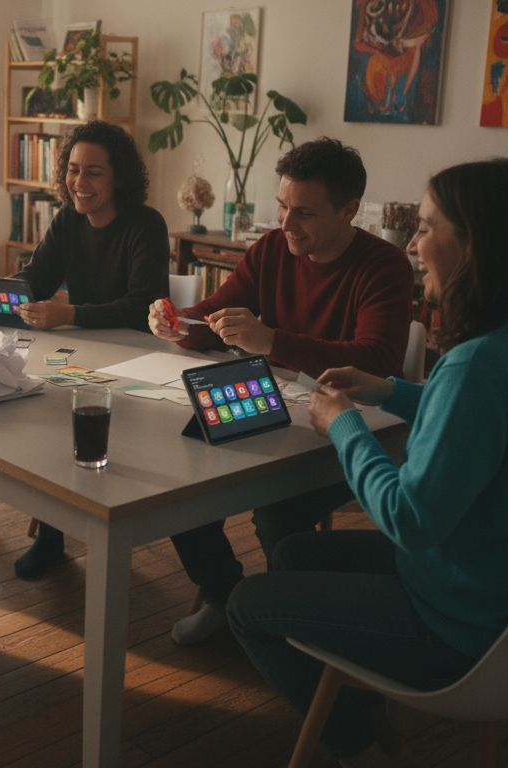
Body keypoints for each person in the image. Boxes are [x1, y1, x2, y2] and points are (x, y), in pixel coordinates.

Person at [226, 158, 508, 766]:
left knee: (246, 604)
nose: (415, 245)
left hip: (458, 620)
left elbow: (408, 518)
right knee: (293, 553)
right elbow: (484, 424)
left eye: (426, 228)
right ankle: (354, 701)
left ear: (477, 245)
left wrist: (343, 425)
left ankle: (355, 739)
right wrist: (391, 391)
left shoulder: (478, 365)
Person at [147, 137, 413, 644]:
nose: (287, 225)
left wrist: (272, 341)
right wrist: (178, 323)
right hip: (276, 411)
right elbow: (218, 316)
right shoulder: (272, 248)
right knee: (175, 485)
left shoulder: (384, 266)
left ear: (350, 210)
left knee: (277, 515)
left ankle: (297, 628)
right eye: (283, 207)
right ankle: (227, 598)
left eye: (305, 214)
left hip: (349, 427)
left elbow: (377, 362)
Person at [10, 120, 170, 578]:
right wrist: (11, 290)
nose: (80, 183)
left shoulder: (146, 226)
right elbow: (35, 278)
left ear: (118, 176)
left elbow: (142, 307)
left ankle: (82, 530)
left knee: (67, 423)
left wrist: (70, 313)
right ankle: (51, 537)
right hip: (80, 355)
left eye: (94, 172)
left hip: (137, 361)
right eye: (74, 170)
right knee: (42, 421)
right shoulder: (68, 221)